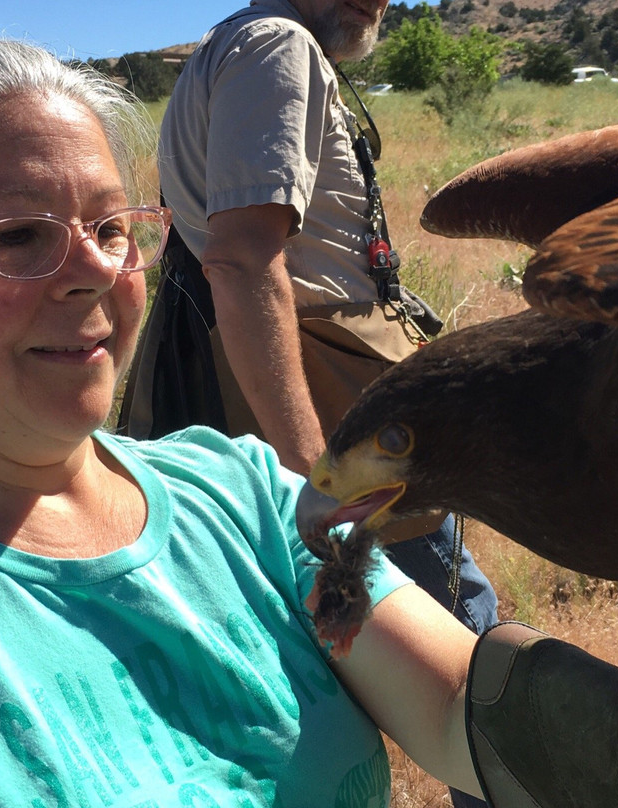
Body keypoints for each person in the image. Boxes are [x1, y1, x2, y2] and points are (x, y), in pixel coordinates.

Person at [0, 36, 483, 806]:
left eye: (111, 228)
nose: (97, 269)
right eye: (16, 236)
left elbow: (462, 702)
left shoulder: (245, 496)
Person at [130, 11, 498, 800]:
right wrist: (320, 476)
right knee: (471, 664)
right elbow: (242, 255)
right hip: (331, 408)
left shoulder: (231, 48)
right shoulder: (277, 44)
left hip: (303, 389)